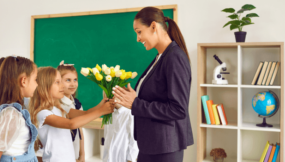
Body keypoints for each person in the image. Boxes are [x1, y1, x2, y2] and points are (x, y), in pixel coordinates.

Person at [112, 6, 193, 162]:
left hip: (165, 148)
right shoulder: (160, 57)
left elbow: (178, 109)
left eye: (139, 31)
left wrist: (136, 103)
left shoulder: (174, 57)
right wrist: (132, 98)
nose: (138, 38)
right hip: (152, 144)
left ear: (154, 26)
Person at [28, 67, 114, 162]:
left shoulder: (60, 109)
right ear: (45, 87)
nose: (63, 86)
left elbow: (84, 114)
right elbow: (71, 124)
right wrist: (101, 111)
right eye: (57, 82)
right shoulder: (42, 114)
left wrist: (102, 104)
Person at [0, 56, 39, 162]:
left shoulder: (17, 111)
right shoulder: (10, 116)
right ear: (23, 81)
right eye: (35, 79)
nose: (37, 84)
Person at [57, 61, 85, 162]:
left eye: (75, 80)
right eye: (68, 80)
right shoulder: (57, 105)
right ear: (58, 82)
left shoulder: (77, 104)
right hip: (63, 156)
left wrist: (82, 155)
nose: (73, 84)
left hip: (75, 154)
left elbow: (80, 130)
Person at [102, 91, 139, 162]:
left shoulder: (130, 114)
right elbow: (107, 135)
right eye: (105, 94)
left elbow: (134, 141)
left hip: (122, 158)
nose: (108, 97)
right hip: (108, 158)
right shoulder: (108, 114)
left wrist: (130, 159)